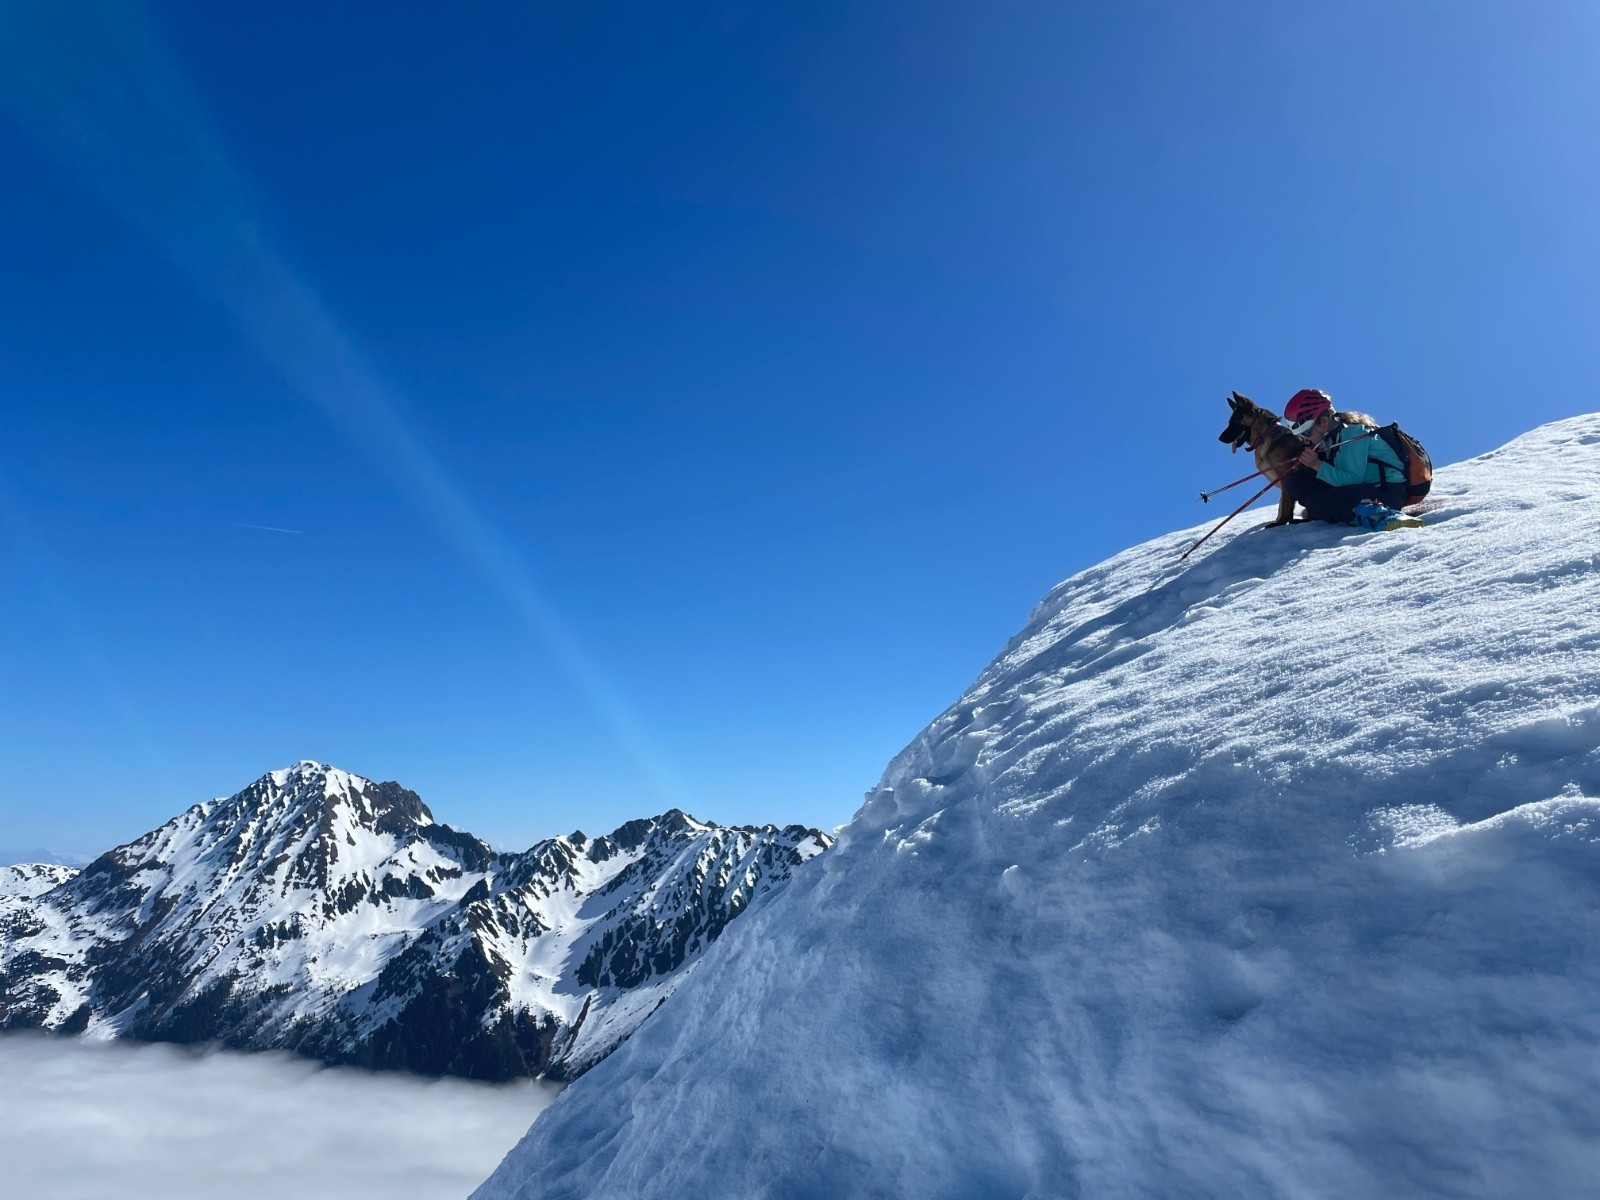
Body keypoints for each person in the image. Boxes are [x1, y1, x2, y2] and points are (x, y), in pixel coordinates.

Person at [1281, 389, 1423, 530]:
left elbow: (1352, 480)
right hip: (1366, 490)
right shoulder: (1330, 442)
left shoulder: (1353, 434)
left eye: (1307, 433)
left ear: (1324, 421)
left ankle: (1384, 517)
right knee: (1297, 481)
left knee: (1323, 501)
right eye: (1300, 436)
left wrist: (1317, 465)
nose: (1305, 439)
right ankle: (1337, 511)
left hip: (1386, 491)